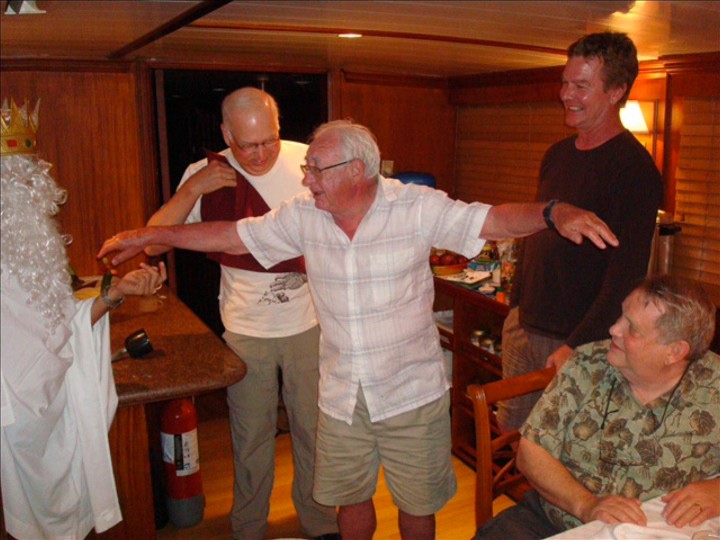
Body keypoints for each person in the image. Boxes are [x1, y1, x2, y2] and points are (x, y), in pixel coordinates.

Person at [99, 119, 619, 540]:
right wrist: (151, 236)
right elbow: (233, 237)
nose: (307, 180)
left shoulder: (414, 208)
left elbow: (494, 220)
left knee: (417, 506)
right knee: (349, 500)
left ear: (357, 170)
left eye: (316, 170)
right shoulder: (304, 216)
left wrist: (553, 212)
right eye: (308, 169)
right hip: (342, 393)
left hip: (410, 392)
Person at [144, 87, 339, 540]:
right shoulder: (204, 173)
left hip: (310, 325)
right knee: (251, 438)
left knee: (314, 432)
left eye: (269, 140)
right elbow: (153, 242)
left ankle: (319, 522)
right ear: (226, 134)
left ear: (279, 127)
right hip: (246, 331)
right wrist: (194, 189)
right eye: (247, 145)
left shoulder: (309, 161)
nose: (261, 154)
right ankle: (248, 527)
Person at [0, 98, 166, 539]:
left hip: (60, 403)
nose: (27, 192)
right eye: (13, 180)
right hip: (13, 423)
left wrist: (117, 292)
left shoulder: (32, 249)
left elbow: (64, 323)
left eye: (28, 176)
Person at [497, 32, 664, 433]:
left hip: (575, 342)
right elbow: (538, 233)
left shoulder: (634, 170)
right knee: (510, 437)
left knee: (559, 449)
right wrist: (516, 307)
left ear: (616, 91)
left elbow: (627, 277)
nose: (566, 95)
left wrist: (577, 345)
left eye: (581, 86)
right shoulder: (556, 155)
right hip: (524, 326)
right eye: (565, 83)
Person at [475, 274, 719, 540]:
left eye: (632, 328)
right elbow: (531, 451)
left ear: (674, 352)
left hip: (660, 531)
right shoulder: (587, 363)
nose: (614, 329)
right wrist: (586, 505)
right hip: (557, 521)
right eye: (621, 315)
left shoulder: (713, 385)